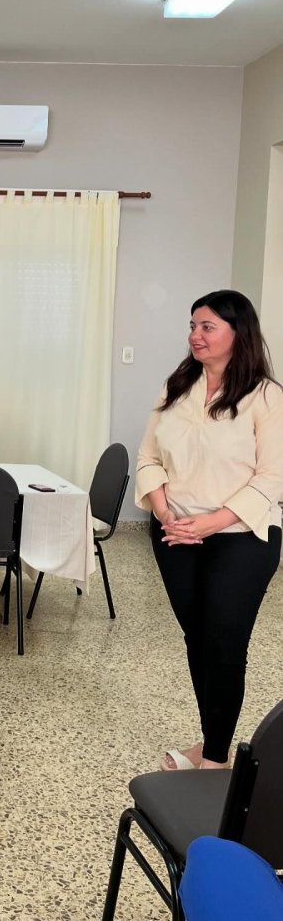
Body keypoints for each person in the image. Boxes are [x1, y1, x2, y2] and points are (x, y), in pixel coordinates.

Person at [135, 290, 283, 771]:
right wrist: (164, 513)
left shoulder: (265, 397)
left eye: (207, 327)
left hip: (242, 536)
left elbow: (272, 477)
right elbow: (148, 458)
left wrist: (211, 521)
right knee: (197, 639)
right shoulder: (176, 387)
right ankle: (211, 743)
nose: (194, 336)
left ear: (237, 334)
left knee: (223, 643)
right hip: (176, 535)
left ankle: (216, 760)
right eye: (193, 326)